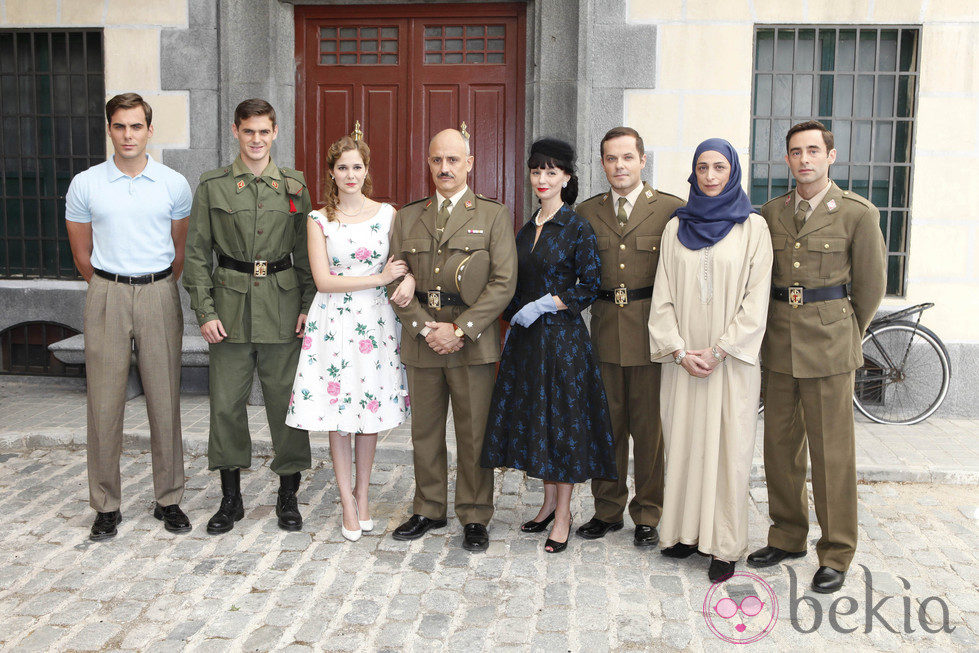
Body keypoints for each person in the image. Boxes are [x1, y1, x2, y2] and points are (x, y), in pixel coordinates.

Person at [747, 120, 886, 593]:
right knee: (781, 450)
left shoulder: (857, 213)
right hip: (781, 343)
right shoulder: (771, 212)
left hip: (829, 348)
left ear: (830, 156)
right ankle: (787, 535)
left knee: (832, 456)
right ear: (786, 160)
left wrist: (844, 332)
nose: (804, 159)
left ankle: (837, 551)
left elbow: (869, 289)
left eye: (812, 150)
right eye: (795, 152)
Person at [183, 99, 315, 534]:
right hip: (230, 310)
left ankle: (288, 496)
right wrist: (204, 311)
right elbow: (198, 254)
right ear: (235, 132)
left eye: (264, 131)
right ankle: (230, 498)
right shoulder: (213, 186)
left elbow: (307, 254)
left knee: (286, 405)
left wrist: (305, 306)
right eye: (248, 132)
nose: (256, 140)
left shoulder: (294, 187)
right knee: (226, 405)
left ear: (275, 132)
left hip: (281, 308)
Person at [66, 92, 192, 541]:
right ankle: (105, 504)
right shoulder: (86, 184)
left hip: (159, 292)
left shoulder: (173, 183)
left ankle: (169, 499)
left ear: (149, 130)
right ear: (109, 129)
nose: (128, 135)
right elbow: (81, 254)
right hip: (106, 293)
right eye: (119, 126)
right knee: (103, 402)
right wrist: (109, 287)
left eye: (136, 126)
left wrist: (156, 284)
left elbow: (180, 253)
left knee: (165, 397)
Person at [481, 138, 616, 553]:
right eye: (536, 171)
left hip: (563, 343)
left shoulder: (577, 227)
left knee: (562, 427)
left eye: (551, 172)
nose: (542, 179)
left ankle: (563, 515)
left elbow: (591, 285)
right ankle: (545, 505)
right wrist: (515, 309)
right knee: (538, 422)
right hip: (527, 342)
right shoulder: (526, 228)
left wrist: (545, 304)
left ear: (567, 178)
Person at [648, 138, 773, 582]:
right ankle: (682, 533)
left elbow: (756, 302)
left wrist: (719, 350)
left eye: (719, 167)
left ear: (733, 171)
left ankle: (722, 543)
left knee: (727, 449)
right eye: (702, 167)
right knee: (682, 442)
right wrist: (680, 351)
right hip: (683, 360)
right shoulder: (673, 228)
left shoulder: (753, 228)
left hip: (730, 362)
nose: (710, 175)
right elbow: (661, 297)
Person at [386, 129, 517, 552]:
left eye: (453, 160)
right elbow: (396, 279)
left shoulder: (493, 215)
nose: (445, 168)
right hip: (423, 341)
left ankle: (476, 515)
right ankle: (428, 507)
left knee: (474, 433)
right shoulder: (406, 217)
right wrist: (427, 328)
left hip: (472, 343)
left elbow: (503, 283)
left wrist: (459, 330)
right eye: (437, 160)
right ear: (429, 162)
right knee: (425, 432)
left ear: (470, 163)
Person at [286, 134, 411, 541]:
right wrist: (380, 277)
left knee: (369, 411)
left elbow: (404, 266)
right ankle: (345, 501)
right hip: (333, 324)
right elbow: (323, 279)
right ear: (331, 173)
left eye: (357, 167)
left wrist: (403, 278)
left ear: (366, 170)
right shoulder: (318, 220)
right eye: (342, 168)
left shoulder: (387, 214)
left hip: (375, 324)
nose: (350, 174)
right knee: (339, 415)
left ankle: (363, 494)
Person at [575, 127, 685, 547]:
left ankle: (648, 512)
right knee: (607, 427)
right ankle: (607, 509)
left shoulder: (671, 210)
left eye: (626, 158)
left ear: (642, 160)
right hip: (603, 332)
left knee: (649, 430)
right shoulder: (588, 212)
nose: (619, 166)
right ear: (602, 163)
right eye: (610, 159)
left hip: (651, 335)